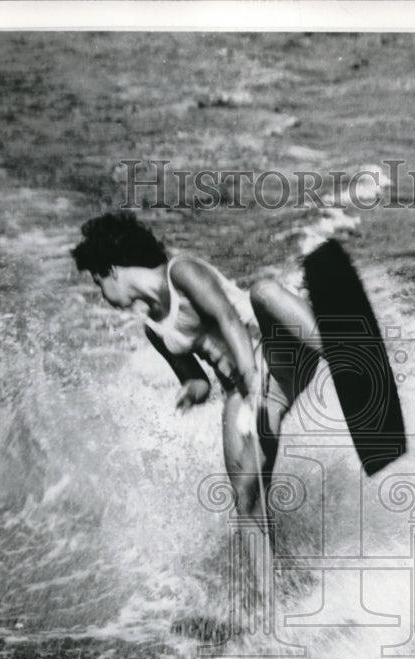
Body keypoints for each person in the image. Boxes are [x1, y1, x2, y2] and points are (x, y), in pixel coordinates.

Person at [71, 211, 323, 536]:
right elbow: (198, 380)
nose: (103, 295)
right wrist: (191, 391)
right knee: (244, 496)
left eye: (98, 282)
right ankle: (268, 585)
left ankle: (349, 356)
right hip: (243, 390)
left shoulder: (183, 271)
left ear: (113, 271)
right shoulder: (154, 329)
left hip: (278, 353)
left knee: (264, 290)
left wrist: (250, 375)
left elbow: (228, 318)